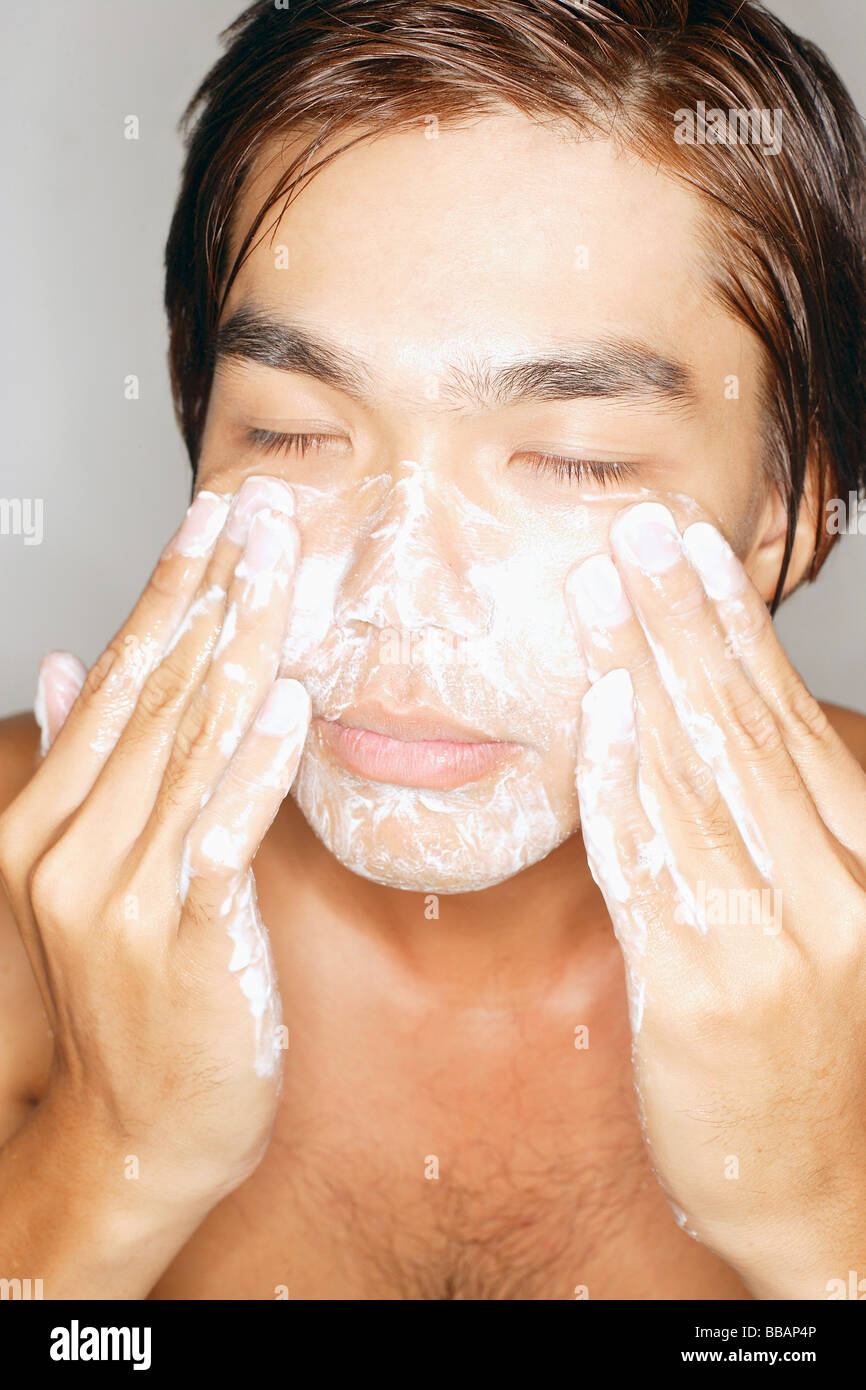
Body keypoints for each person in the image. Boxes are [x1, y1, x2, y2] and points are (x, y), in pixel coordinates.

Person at [0, 0, 865, 1300]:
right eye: (291, 432)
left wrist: (819, 1211)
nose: (401, 593)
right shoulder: (33, 885)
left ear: (785, 519)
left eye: (572, 459)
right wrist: (112, 1152)